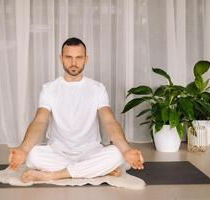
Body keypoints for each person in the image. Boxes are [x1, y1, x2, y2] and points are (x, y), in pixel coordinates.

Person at [8, 37, 144, 183]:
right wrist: (22, 149)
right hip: (58, 150)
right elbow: (39, 122)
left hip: (90, 151)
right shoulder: (49, 89)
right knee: (32, 155)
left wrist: (126, 150)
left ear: (86, 59)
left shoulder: (97, 88)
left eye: (79, 57)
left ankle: (55, 175)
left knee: (117, 154)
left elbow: (109, 121)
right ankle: (95, 171)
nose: (74, 63)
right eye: (69, 57)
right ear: (61, 58)